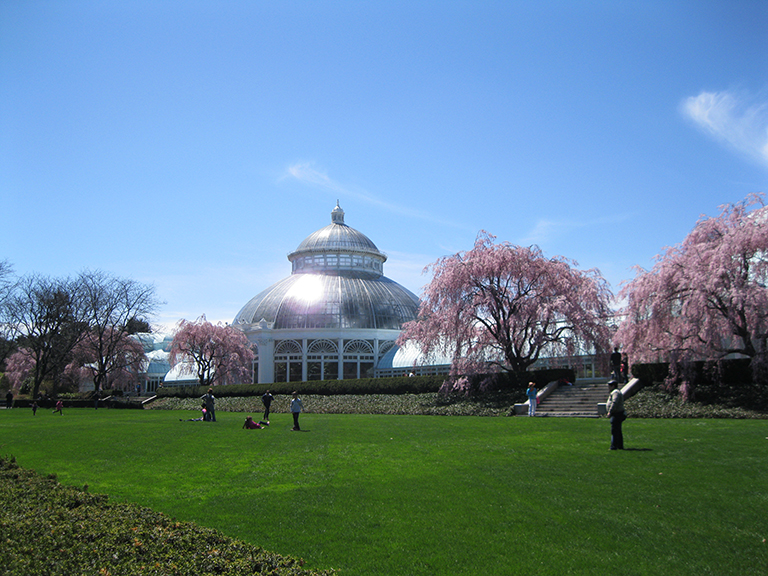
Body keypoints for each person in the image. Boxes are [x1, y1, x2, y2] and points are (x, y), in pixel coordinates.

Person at [606, 381, 626, 450]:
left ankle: (613, 446)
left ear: (613, 386)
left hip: (617, 414)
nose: (608, 388)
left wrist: (610, 412)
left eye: (609, 386)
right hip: (617, 413)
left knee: (614, 430)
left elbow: (614, 402)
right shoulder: (615, 392)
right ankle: (619, 446)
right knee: (618, 430)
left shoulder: (615, 392)